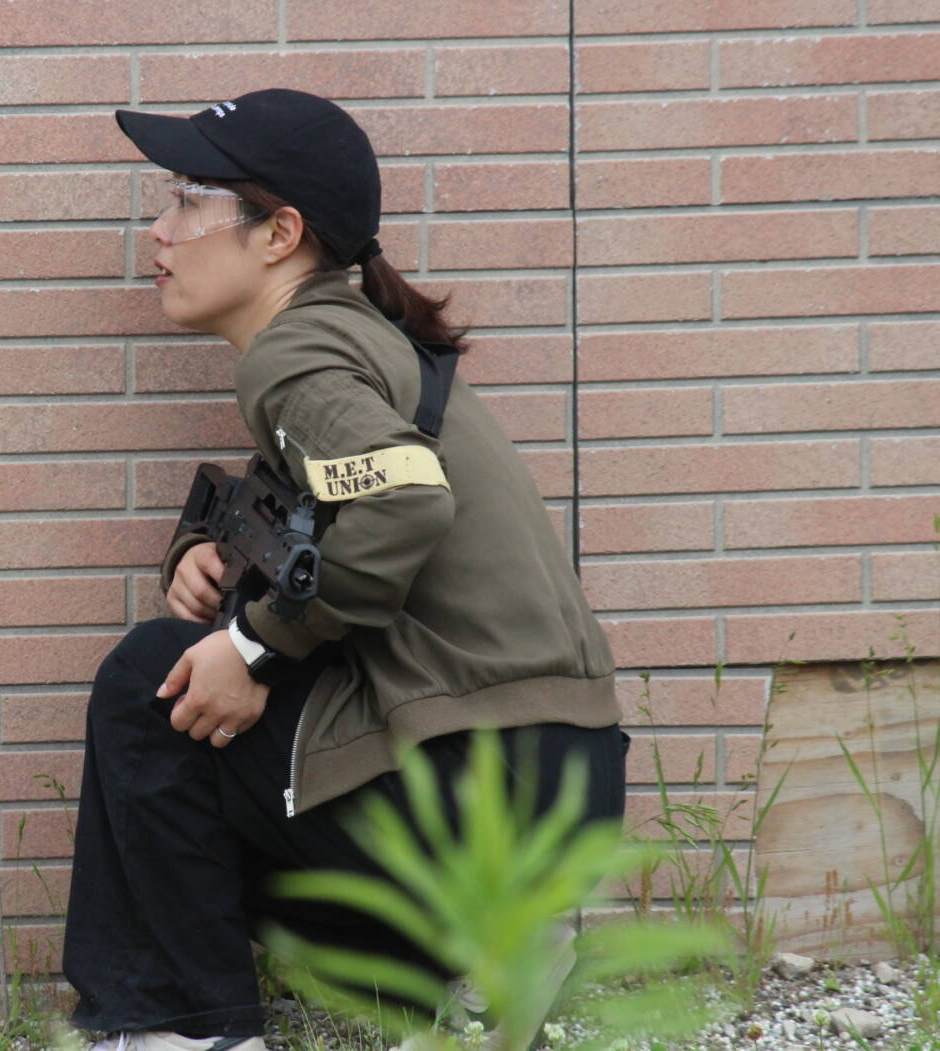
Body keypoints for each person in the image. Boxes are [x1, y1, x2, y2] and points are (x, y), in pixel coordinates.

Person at [61, 89, 629, 1051]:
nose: (160, 229)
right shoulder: (359, 337)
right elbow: (342, 529)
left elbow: (404, 503)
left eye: (190, 200)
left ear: (280, 234)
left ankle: (184, 1030)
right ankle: (469, 973)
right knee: (205, 704)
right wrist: (212, 559)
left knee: (147, 685)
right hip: (554, 779)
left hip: (476, 775)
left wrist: (250, 646)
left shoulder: (297, 354)